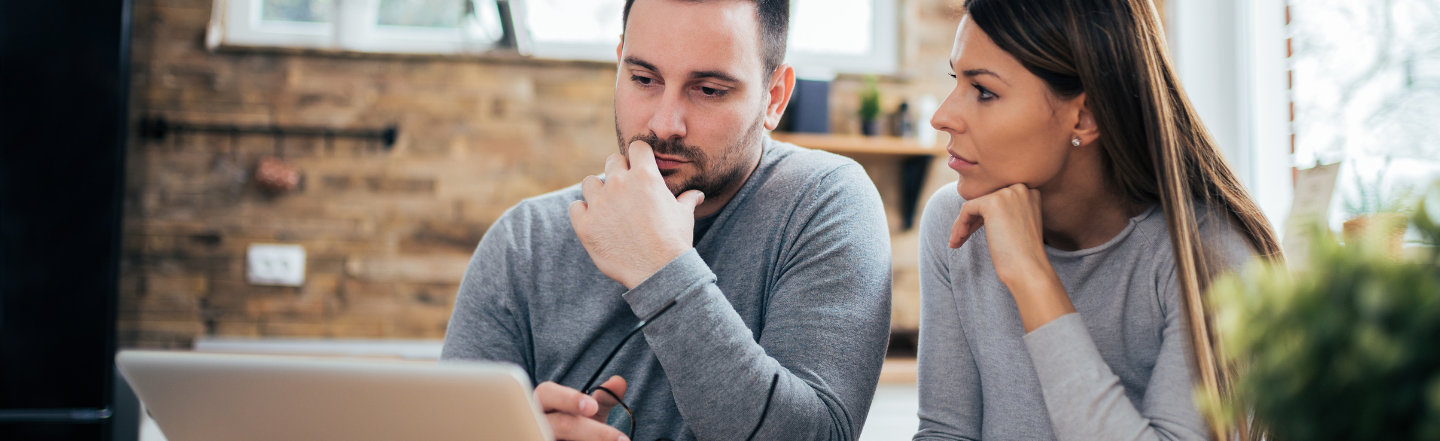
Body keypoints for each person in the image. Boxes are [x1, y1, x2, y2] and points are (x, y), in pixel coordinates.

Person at [441, 0, 893, 440]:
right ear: (619, 65)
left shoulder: (824, 204)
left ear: (773, 97)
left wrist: (659, 266)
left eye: (709, 90)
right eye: (643, 79)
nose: (664, 124)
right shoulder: (525, 241)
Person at [914, 0, 1284, 440]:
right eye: (956, 80)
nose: (942, 117)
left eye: (985, 91)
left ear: (1084, 117)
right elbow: (945, 432)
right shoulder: (953, 224)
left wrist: (1033, 278)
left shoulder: (1207, 255)